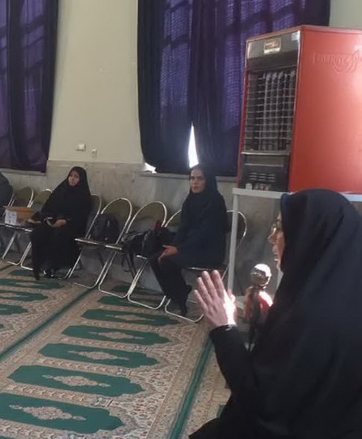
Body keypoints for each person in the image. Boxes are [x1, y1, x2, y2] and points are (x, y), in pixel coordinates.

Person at [192, 189, 362, 439]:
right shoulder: (335, 292)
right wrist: (269, 321)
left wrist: (224, 328)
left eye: (281, 228)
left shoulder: (311, 317)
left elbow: (259, 401)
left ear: (310, 236)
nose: (271, 237)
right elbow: (300, 367)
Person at [148, 164, 227, 316]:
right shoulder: (190, 200)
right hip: (190, 247)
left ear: (208, 181)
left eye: (200, 179)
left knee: (168, 261)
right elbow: (183, 228)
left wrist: (179, 249)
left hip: (209, 250)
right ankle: (177, 294)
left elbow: (205, 233)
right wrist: (173, 246)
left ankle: (180, 298)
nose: (195, 182)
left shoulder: (215, 201)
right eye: (192, 178)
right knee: (156, 259)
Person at [29, 167, 92, 280]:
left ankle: (53, 266)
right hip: (54, 222)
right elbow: (48, 207)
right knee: (38, 232)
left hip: (72, 226)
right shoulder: (61, 190)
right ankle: (38, 264)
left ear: (81, 179)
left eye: (76, 177)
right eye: (70, 175)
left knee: (59, 235)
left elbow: (81, 216)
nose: (72, 179)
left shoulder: (83, 196)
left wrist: (65, 221)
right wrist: (49, 219)